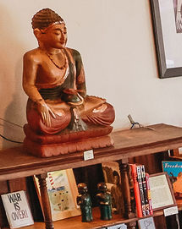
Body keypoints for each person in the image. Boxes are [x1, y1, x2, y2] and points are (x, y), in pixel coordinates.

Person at [21, 10, 115, 139]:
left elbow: (82, 87)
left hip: (73, 105)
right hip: (50, 106)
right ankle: (71, 117)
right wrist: (41, 104)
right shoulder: (33, 57)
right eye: (57, 33)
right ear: (38, 34)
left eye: (65, 32)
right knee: (43, 122)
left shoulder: (73, 54)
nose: (63, 37)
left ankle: (73, 116)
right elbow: (28, 85)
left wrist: (78, 101)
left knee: (108, 111)